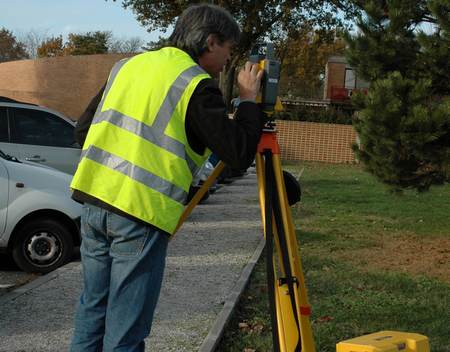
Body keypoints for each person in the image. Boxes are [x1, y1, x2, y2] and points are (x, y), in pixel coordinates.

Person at [70, 4, 264, 351]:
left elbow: (83, 131)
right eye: (228, 49)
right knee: (125, 331)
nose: (227, 59)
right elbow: (237, 152)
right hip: (138, 213)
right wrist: (249, 100)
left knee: (92, 313)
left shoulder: (127, 67)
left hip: (93, 203)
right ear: (209, 42)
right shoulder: (195, 84)